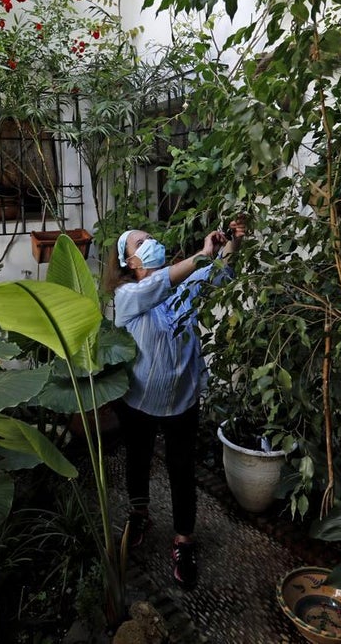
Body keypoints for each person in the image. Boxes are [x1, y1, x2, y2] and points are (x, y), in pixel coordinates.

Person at [103, 219, 246, 589]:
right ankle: (139, 514)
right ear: (128, 261)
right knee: (138, 459)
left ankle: (184, 540)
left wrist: (230, 243)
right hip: (138, 400)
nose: (150, 241)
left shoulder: (179, 288)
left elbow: (215, 275)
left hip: (182, 400)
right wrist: (201, 253)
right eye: (140, 241)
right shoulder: (126, 297)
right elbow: (160, 283)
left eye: (151, 238)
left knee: (182, 470)